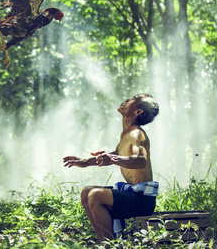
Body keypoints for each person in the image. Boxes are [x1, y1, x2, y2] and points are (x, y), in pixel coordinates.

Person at [63, 94, 159, 242]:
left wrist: (113, 158)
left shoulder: (137, 134)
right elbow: (113, 156)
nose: (126, 99)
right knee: (86, 192)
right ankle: (103, 240)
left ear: (138, 112)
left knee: (95, 195)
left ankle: (110, 244)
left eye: (133, 99)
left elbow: (141, 161)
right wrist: (85, 162)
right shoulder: (125, 135)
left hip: (142, 200)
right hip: (132, 195)